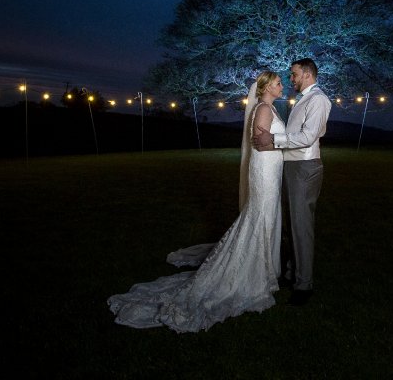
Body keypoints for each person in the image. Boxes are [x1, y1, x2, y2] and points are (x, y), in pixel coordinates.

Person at [107, 71, 285, 332]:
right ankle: (255, 273)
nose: (282, 86)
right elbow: (260, 144)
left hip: (271, 170)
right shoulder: (264, 109)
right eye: (278, 83)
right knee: (260, 217)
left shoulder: (270, 107)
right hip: (265, 172)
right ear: (267, 87)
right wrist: (287, 144)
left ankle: (264, 267)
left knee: (266, 216)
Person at [252, 58, 331, 306]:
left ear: (307, 74)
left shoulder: (318, 99)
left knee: (301, 225)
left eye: (294, 74)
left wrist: (273, 140)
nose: (291, 79)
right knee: (291, 224)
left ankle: (304, 284)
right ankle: (291, 272)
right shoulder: (303, 99)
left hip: (304, 167)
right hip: (292, 166)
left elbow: (308, 137)